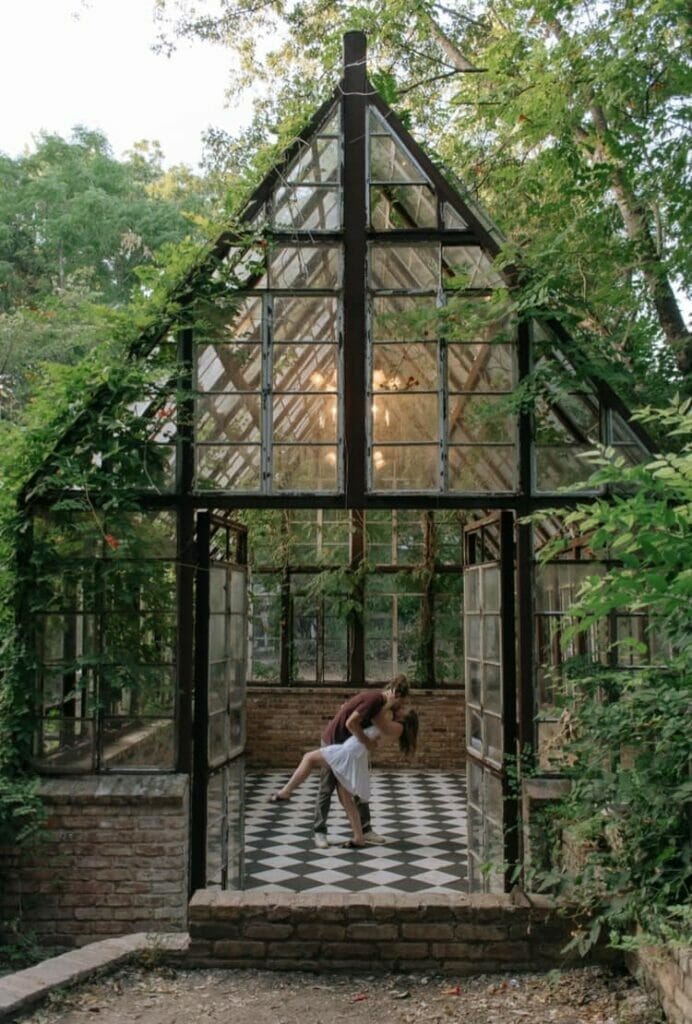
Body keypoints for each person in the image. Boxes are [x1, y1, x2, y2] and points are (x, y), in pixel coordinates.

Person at [269, 706, 419, 848]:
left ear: (407, 718)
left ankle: (286, 791)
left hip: (350, 751)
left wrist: (384, 705)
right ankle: (359, 837)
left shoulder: (397, 727)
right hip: (356, 751)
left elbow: (377, 720)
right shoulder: (396, 726)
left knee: (309, 758)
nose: (400, 708)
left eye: (403, 709)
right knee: (345, 797)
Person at [313, 675, 410, 848]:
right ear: (395, 694)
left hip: (352, 747)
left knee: (359, 786)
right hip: (334, 741)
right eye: (400, 701)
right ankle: (320, 831)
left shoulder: (387, 708)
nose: (401, 706)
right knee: (327, 787)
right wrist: (367, 742)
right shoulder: (374, 701)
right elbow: (352, 721)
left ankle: (365, 830)